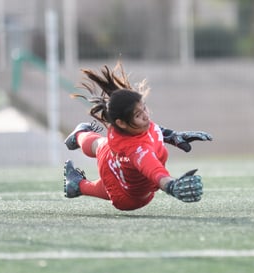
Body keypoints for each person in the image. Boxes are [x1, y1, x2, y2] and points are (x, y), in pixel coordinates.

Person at [63, 62, 212, 211]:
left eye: (144, 107)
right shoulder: (137, 151)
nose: (146, 116)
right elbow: (154, 171)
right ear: (121, 123)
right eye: (138, 114)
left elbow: (153, 131)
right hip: (128, 199)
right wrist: (171, 186)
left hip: (115, 163)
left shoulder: (126, 129)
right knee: (104, 160)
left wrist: (172, 136)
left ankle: (78, 136)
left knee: (101, 144)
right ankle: (79, 186)